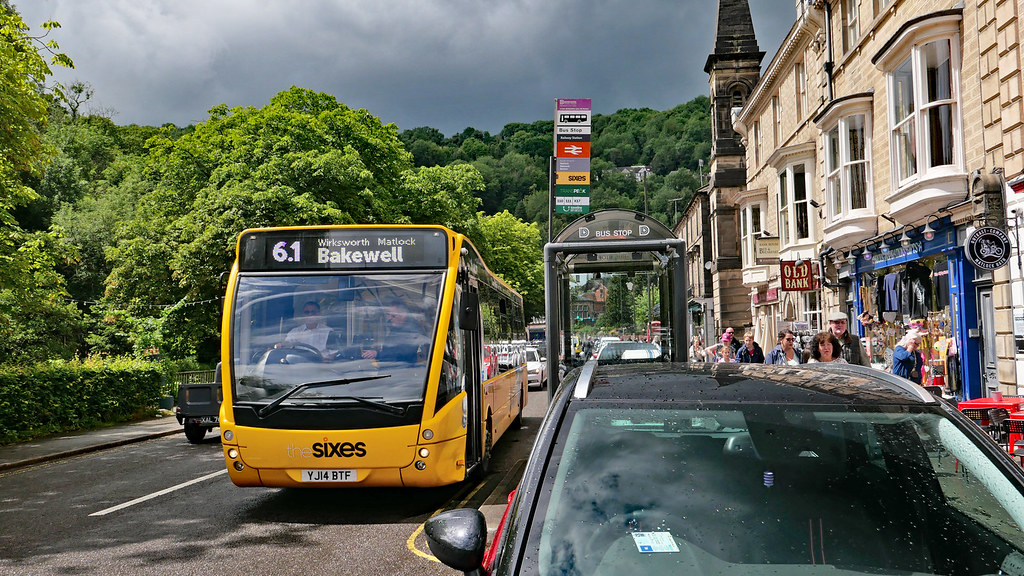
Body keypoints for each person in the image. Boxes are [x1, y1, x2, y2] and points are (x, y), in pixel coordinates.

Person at [362, 299, 427, 362]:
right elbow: (391, 348)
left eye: (393, 315)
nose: (389, 318)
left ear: (403, 315)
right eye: (388, 315)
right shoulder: (395, 328)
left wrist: (377, 354)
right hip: (390, 368)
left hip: (403, 370)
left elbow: (403, 352)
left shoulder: (413, 330)